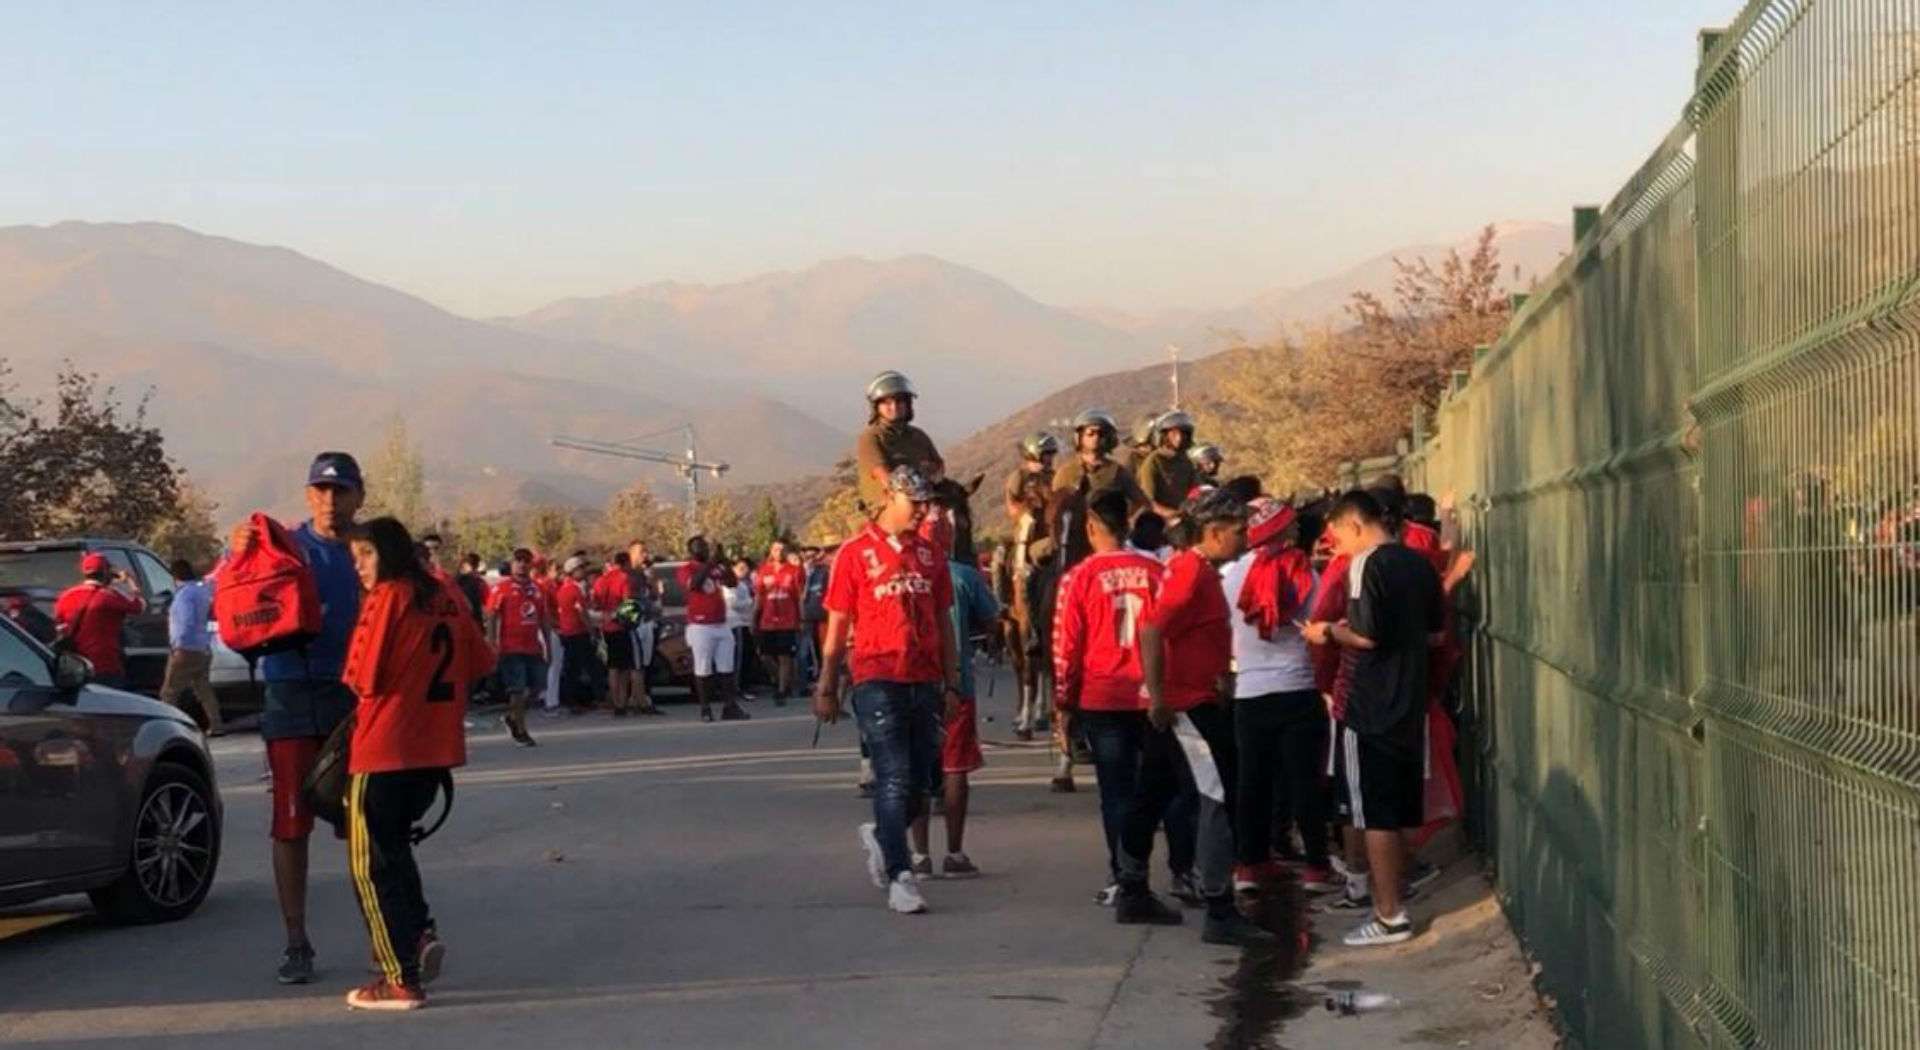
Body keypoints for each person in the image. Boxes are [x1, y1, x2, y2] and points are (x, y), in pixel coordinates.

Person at [339, 517, 494, 1011]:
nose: (359, 567)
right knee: (397, 850)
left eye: (365, 555)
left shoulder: (388, 597)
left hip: (384, 746)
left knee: (370, 865)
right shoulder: (446, 594)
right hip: (435, 750)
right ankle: (420, 933)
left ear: (387, 552)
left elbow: (362, 677)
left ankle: (397, 976)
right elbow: (480, 663)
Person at [226, 451, 365, 985]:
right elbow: (233, 587)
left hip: (351, 696)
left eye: (341, 490)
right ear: (309, 495)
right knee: (290, 822)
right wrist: (238, 552)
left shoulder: (371, 549)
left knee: (361, 821)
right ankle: (296, 940)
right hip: (289, 690)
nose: (331, 500)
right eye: (322, 490)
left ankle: (383, 932)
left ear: (359, 495)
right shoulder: (281, 544)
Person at [813, 466, 960, 915]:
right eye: (914, 503)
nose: (922, 512)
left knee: (921, 784)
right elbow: (837, 624)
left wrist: (952, 681)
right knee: (893, 777)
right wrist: (827, 683)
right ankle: (901, 875)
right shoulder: (855, 554)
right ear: (890, 498)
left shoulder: (931, 554)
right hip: (877, 679)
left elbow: (942, 622)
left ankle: (882, 836)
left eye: (926, 504)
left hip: (925, 679)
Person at [1301, 489, 1444, 948]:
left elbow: (1363, 636)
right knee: (1400, 807)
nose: (1337, 544)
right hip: (1410, 701)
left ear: (1355, 526)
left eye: (1338, 533)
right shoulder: (1419, 563)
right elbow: (1437, 634)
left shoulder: (1366, 565)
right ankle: (1394, 900)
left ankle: (1388, 915)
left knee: (1374, 813)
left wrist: (1325, 631)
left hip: (1368, 704)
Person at [1136, 489, 1274, 946]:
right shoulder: (1192, 573)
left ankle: (1132, 884)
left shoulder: (1194, 570)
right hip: (1187, 705)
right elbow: (1154, 630)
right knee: (1217, 794)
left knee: (1152, 792)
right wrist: (1159, 696)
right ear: (1213, 533)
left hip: (1193, 696)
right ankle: (1219, 904)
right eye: (1238, 531)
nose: (1245, 538)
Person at [1052, 490, 1168, 914]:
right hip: (1151, 696)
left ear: (1090, 528)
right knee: (1159, 787)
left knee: (1115, 791)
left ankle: (1124, 876)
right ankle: (1180, 868)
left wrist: (1063, 703)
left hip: (1103, 697)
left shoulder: (1078, 578)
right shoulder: (1156, 570)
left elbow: (1066, 645)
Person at [1221, 499, 1336, 893]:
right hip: (1298, 687)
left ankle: (1250, 864)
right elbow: (1319, 623)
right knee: (1304, 781)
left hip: (1250, 691)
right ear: (1284, 531)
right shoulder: (1304, 572)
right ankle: (1317, 867)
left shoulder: (1233, 574)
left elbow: (1224, 624)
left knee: (1252, 781)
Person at [908, 504, 998, 880]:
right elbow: (991, 619)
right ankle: (955, 853)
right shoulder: (964, 574)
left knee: (917, 770)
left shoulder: (909, 573)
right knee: (955, 768)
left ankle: (920, 856)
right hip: (957, 684)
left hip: (913, 681)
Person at [1050, 409, 1148, 571]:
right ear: (1079, 437)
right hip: (1071, 539)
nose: (1096, 438)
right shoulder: (1066, 472)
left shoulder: (1117, 472)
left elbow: (1142, 502)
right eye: (1091, 433)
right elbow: (1055, 509)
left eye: (1101, 434)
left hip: (1108, 539)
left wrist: (1126, 522)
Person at [679, 536, 749, 722]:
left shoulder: (714, 567)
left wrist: (724, 561)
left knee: (727, 667)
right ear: (692, 551)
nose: (705, 550)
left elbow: (732, 582)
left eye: (706, 547)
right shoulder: (687, 568)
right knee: (703, 668)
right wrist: (710, 564)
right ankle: (705, 708)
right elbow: (694, 584)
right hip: (701, 626)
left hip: (721, 623)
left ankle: (730, 706)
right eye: (701, 547)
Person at [853, 371, 944, 513]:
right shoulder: (871, 437)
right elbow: (882, 474)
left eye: (899, 401)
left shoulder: (919, 436)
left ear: (908, 404)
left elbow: (939, 467)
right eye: (887, 402)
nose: (894, 407)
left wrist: (931, 477)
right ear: (876, 406)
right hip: (885, 509)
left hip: (925, 504)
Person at [52, 552, 145, 689]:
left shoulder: (66, 596)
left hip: (75, 665)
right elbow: (139, 607)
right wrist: (130, 583)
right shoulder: (108, 596)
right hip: (105, 663)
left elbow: (59, 625)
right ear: (106, 573)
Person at [484, 548, 546, 746]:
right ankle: (521, 730)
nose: (521, 564)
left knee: (537, 688)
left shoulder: (536, 589)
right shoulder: (501, 589)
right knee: (517, 690)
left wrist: (548, 645)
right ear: (512, 564)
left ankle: (512, 717)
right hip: (511, 647)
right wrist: (492, 641)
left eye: (525, 561)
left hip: (533, 647)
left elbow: (543, 619)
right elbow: (491, 615)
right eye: (518, 560)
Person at [159, 558, 223, 735]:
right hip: (203, 648)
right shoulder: (203, 591)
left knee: (169, 692)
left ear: (175, 576)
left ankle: (168, 729)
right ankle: (216, 724)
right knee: (203, 689)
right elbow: (212, 618)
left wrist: (177, 644)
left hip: (186, 648)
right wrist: (208, 638)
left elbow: (185, 622)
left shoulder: (184, 595)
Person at [754, 540, 805, 704]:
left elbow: (800, 597)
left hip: (787, 620)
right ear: (771, 551)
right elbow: (759, 597)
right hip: (767, 620)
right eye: (776, 549)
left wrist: (801, 618)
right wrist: (754, 617)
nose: (779, 553)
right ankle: (780, 679)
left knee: (785, 656)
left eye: (783, 550)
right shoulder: (764, 571)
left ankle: (782, 690)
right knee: (765, 655)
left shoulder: (795, 571)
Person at [553, 555, 603, 713]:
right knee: (590, 667)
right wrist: (591, 632)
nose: (584, 571)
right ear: (572, 571)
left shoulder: (563, 589)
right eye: (581, 569)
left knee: (573, 668)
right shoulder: (573, 589)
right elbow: (583, 613)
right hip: (577, 632)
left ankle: (574, 700)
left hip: (568, 633)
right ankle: (595, 698)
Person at [593, 552, 640, 714]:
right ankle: (623, 700)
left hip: (606, 626)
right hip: (620, 626)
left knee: (612, 666)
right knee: (625, 666)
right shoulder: (623, 578)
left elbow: (596, 602)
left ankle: (616, 701)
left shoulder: (601, 580)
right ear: (625, 563)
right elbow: (628, 602)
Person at [1138, 411, 1200, 522]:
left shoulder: (1187, 463)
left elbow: (1195, 492)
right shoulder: (1154, 461)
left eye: (1183, 434)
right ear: (1165, 435)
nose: (1179, 438)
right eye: (1174, 434)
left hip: (1183, 516)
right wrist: (1168, 513)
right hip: (1156, 518)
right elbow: (1147, 500)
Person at [624, 541, 662, 712]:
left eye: (646, 551)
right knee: (635, 663)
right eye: (641, 552)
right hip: (635, 623)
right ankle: (636, 699)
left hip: (648, 621)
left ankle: (643, 697)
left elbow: (654, 596)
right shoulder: (627, 574)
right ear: (631, 553)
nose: (644, 555)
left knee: (646, 662)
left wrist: (652, 579)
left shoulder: (645, 574)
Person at [1003, 432, 1060, 525]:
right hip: (1031, 533)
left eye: (1052, 453)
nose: (1051, 457)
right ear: (1036, 453)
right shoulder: (1020, 477)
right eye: (1047, 453)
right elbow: (1012, 507)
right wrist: (1028, 510)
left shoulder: (1055, 476)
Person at [725, 555, 759, 695]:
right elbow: (732, 603)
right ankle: (736, 686)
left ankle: (744, 684)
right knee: (737, 657)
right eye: (740, 568)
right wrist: (750, 602)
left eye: (746, 569)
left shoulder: (743, 585)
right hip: (733, 623)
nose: (743, 571)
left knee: (746, 656)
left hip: (745, 623)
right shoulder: (729, 585)